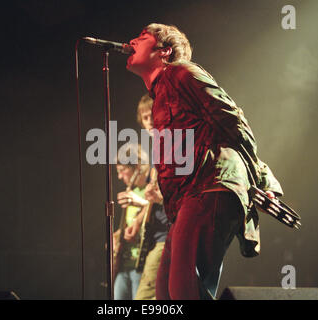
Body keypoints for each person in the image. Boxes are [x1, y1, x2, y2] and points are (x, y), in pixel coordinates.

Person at [126, 23, 283, 300]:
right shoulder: (160, 94)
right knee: (165, 294)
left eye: (142, 37)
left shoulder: (182, 72)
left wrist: (262, 181)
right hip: (189, 197)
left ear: (165, 51)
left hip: (211, 186)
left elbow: (234, 122)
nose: (131, 41)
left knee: (182, 291)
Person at [122, 94, 170, 300]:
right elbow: (155, 197)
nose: (149, 121)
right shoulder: (157, 151)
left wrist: (150, 200)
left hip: (167, 236)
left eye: (152, 115)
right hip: (156, 236)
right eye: (145, 117)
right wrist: (138, 221)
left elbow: (179, 197)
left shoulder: (170, 147)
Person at [113, 144, 149, 300]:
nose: (120, 176)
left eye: (123, 170)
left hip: (142, 266)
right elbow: (129, 226)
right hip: (123, 266)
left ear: (137, 166)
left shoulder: (151, 191)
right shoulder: (131, 193)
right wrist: (116, 236)